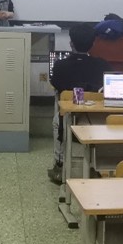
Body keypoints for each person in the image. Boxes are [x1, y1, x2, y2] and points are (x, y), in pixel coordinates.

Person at [47, 24, 109, 184]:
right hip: (96, 119)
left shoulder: (60, 66)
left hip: (69, 119)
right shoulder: (103, 65)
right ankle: (97, 165)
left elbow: (56, 86)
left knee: (57, 118)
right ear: (93, 44)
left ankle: (60, 165)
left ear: (71, 43)